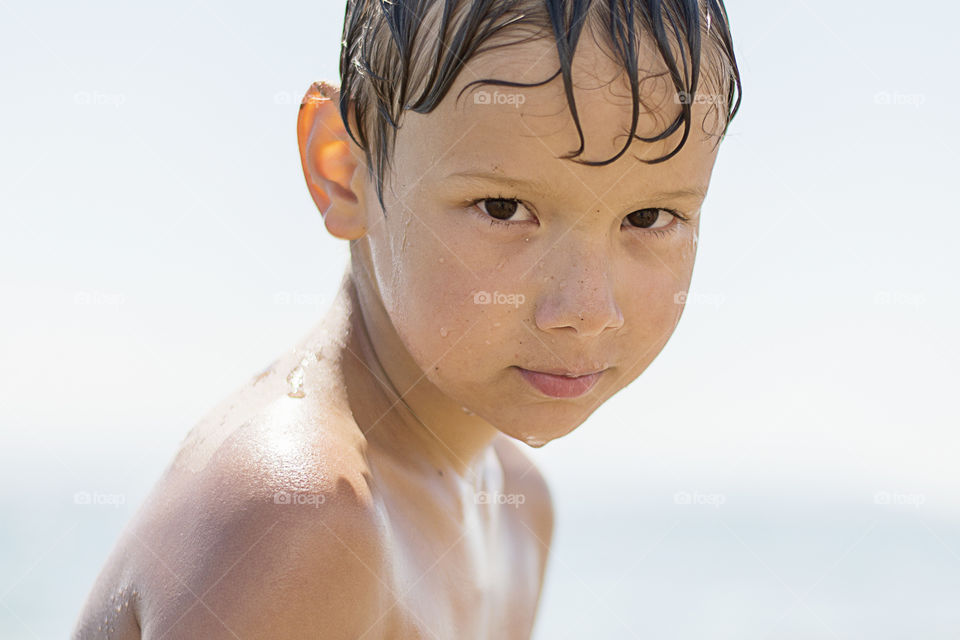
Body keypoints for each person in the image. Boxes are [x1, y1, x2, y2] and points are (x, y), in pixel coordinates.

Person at [73, 0, 742, 637]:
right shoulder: (302, 515)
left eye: (649, 217)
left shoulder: (516, 509)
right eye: (504, 209)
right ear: (343, 171)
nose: (587, 310)